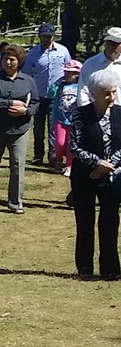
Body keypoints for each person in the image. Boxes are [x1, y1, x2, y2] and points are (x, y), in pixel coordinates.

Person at [0, 44, 39, 213]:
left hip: (20, 129)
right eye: (5, 59)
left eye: (12, 59)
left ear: (19, 61)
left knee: (17, 165)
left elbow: (35, 102)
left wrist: (25, 111)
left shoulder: (28, 80)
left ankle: (15, 203)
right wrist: (11, 103)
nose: (8, 63)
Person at [68, 74, 121, 280]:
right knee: (85, 221)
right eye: (106, 94)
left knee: (110, 221)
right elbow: (74, 146)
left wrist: (108, 165)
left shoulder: (120, 113)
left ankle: (110, 269)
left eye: (114, 92)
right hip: (84, 175)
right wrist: (96, 163)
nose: (111, 97)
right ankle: (85, 268)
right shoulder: (80, 115)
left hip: (112, 176)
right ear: (93, 94)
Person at [23, 25, 71, 164]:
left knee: (54, 127)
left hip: (56, 97)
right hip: (38, 96)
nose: (47, 39)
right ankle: (38, 155)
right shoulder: (33, 54)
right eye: (44, 36)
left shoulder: (63, 51)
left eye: (49, 36)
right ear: (39, 37)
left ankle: (53, 155)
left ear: (53, 37)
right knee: (38, 128)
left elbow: (70, 67)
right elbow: (26, 73)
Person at [51, 60, 84, 172]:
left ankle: (69, 165)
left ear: (77, 74)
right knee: (60, 142)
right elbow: (52, 94)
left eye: (69, 72)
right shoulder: (61, 85)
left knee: (70, 144)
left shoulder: (80, 86)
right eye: (65, 72)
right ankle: (58, 160)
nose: (66, 74)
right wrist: (57, 82)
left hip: (73, 120)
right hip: (60, 119)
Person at [79, 27, 121, 104]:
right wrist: (86, 110)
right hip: (96, 110)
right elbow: (83, 92)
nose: (111, 47)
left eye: (115, 44)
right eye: (109, 43)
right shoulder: (90, 64)